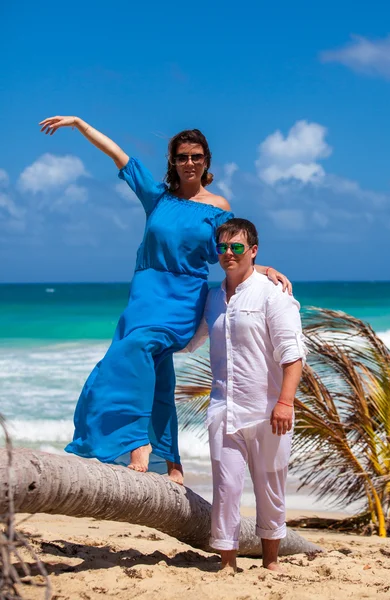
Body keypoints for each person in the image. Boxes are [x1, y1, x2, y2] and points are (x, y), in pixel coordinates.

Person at [39, 116, 292, 485]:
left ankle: (138, 443)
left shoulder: (218, 207)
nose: (189, 163)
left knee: (137, 349)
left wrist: (261, 266)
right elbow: (120, 156)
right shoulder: (157, 197)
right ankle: (172, 464)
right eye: (182, 157)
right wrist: (79, 124)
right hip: (144, 296)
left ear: (207, 162)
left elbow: (228, 249)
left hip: (181, 299)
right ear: (172, 161)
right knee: (157, 376)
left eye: (197, 157)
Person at [185, 218, 306, 570]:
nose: (228, 253)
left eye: (236, 247)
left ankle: (271, 563)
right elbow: (192, 340)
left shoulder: (273, 294)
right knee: (226, 488)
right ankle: (227, 563)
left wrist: (285, 403)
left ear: (253, 250)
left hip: (269, 411)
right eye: (222, 247)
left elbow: (293, 355)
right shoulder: (211, 298)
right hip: (224, 408)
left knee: (270, 489)